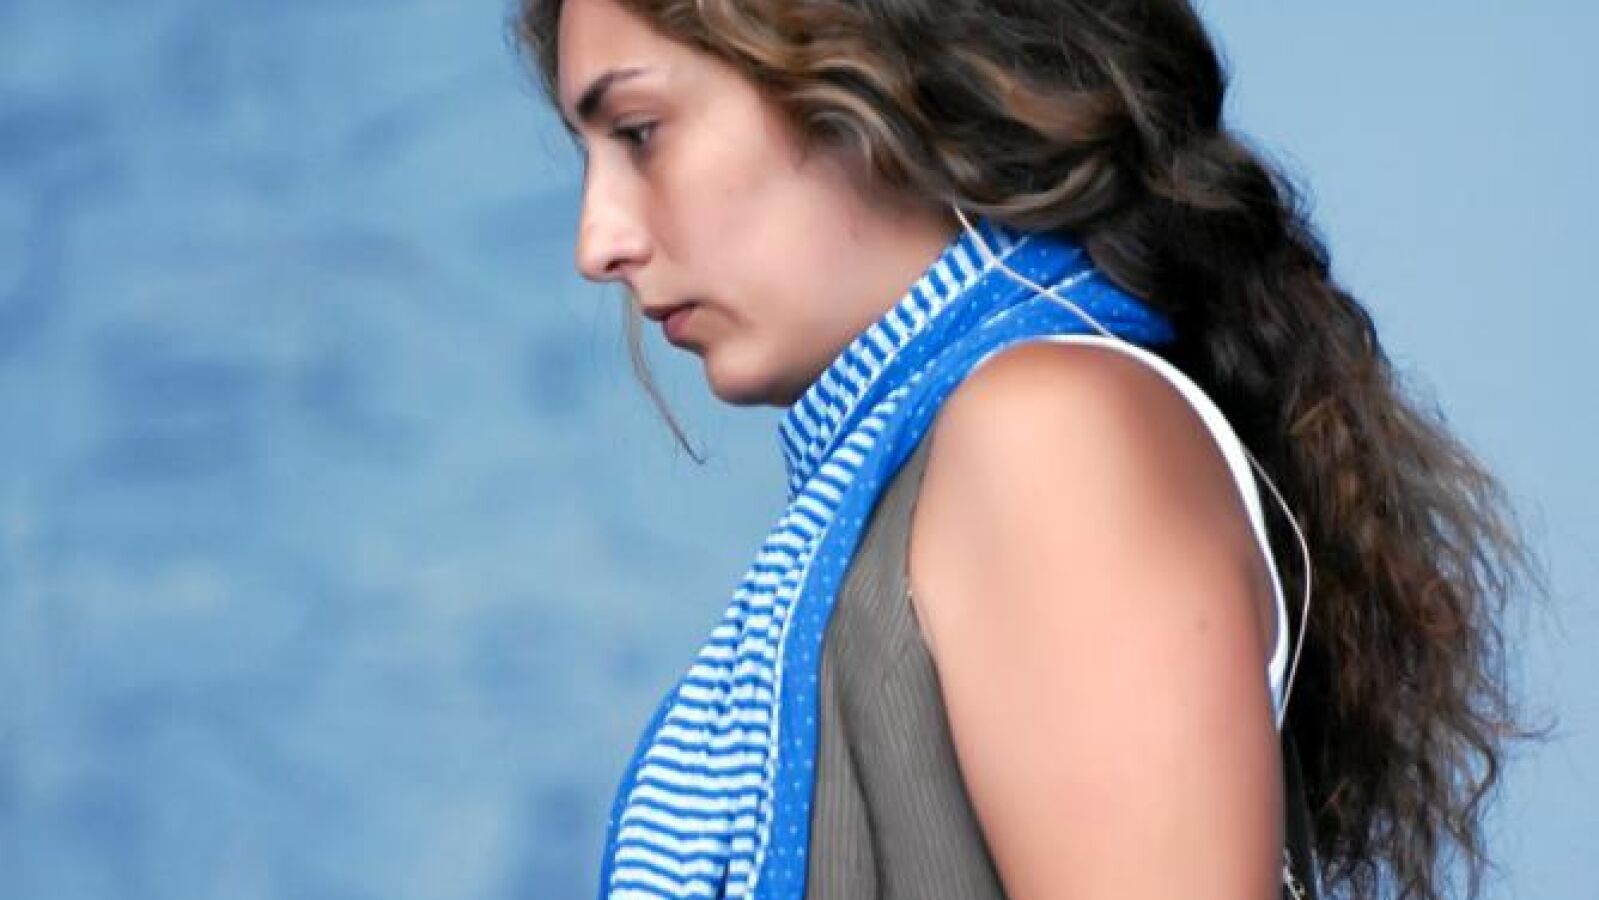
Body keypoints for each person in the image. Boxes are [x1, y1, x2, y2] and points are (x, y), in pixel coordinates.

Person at [510, 1, 1537, 898]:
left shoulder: (1046, 437)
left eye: (639, 132)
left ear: (869, 71)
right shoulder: (954, 462)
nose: (600, 241)